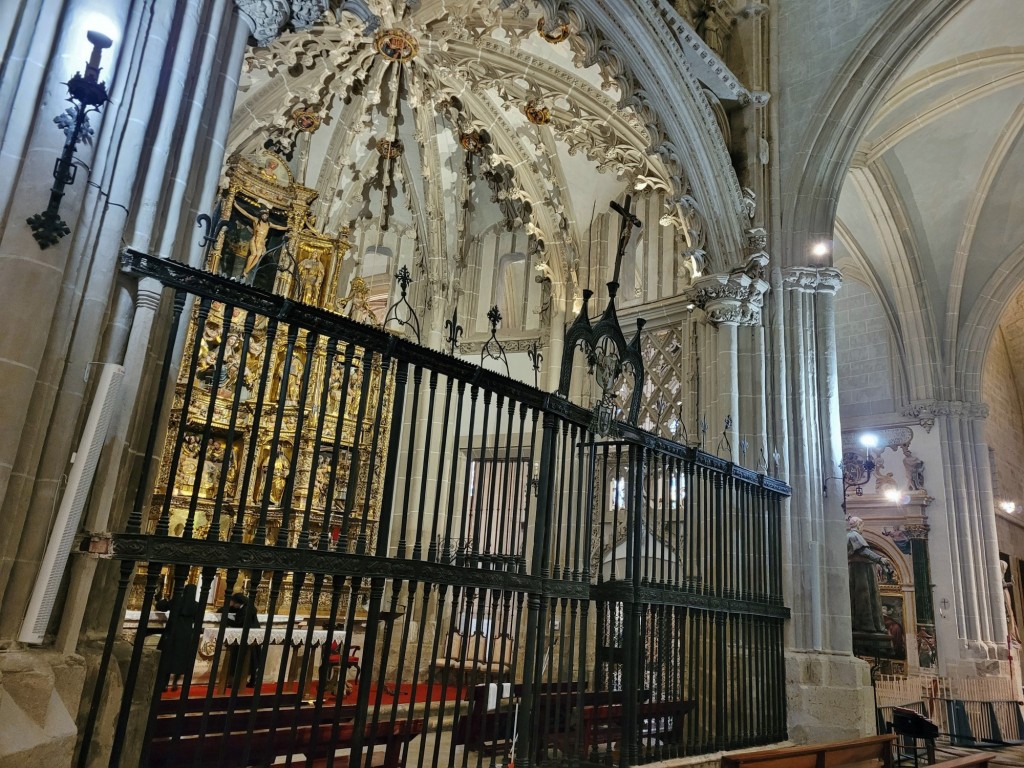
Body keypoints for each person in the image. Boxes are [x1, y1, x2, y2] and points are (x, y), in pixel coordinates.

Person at [847, 517, 887, 635]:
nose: (863, 528)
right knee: (863, 596)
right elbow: (864, 551)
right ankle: (866, 625)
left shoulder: (854, 536)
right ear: (859, 525)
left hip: (863, 568)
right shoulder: (854, 536)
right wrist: (880, 559)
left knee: (866, 596)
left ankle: (870, 625)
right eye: (862, 525)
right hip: (860, 571)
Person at [156, 583, 200, 690]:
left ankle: (164, 683)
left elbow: (161, 607)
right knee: (181, 659)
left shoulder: (177, 600)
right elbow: (197, 619)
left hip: (173, 632)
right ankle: (175, 682)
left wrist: (163, 599)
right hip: (186, 634)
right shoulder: (195, 605)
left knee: (167, 657)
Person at [225, 592, 261, 687]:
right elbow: (229, 609)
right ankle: (252, 681)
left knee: (244, 660)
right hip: (252, 636)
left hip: (248, 638)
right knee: (252, 660)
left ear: (238, 602)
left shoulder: (245, 610)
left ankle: (239, 682)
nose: (231, 603)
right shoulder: (247, 607)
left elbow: (238, 623)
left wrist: (225, 619)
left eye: (232, 602)